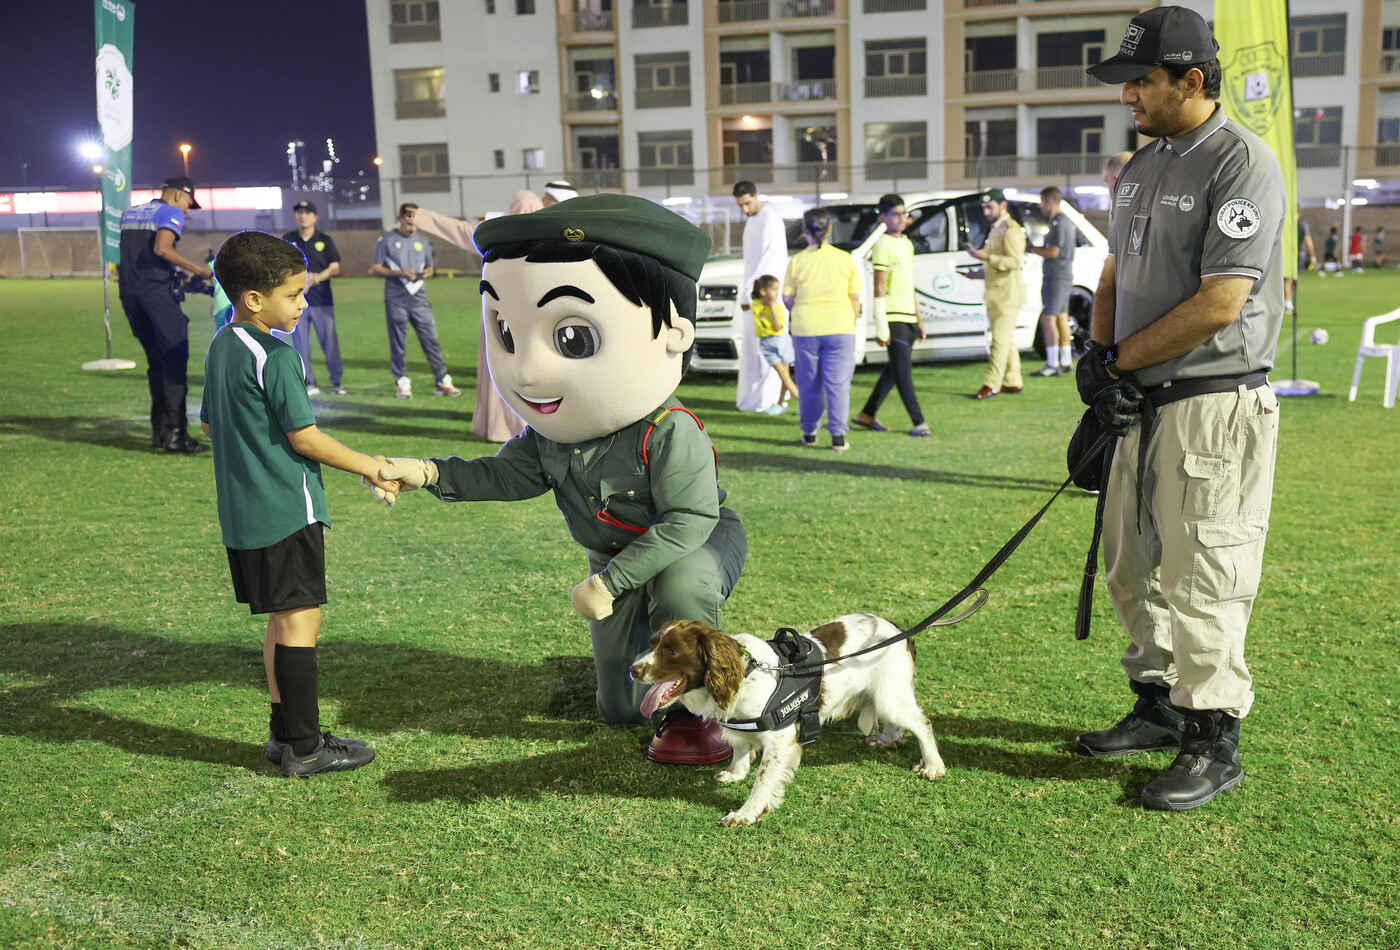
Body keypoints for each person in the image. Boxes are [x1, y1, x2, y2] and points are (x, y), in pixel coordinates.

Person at [374, 194, 746, 767]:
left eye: (573, 337)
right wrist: (424, 472)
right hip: (615, 558)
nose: (528, 369)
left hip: (693, 543)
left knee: (682, 587)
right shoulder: (552, 435)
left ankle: (704, 713)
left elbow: (689, 520)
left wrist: (610, 581)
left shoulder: (671, 430)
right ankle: (653, 680)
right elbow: (504, 472)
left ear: (673, 331)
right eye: (507, 333)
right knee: (622, 707)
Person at [1078, 5, 1285, 811]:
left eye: (1141, 80)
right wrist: (1098, 363)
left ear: (1191, 81)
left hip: (1211, 403)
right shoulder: (1142, 165)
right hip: (1138, 401)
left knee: (1205, 570)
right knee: (1131, 564)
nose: (1127, 94)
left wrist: (1121, 363)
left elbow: (1222, 303)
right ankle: (1159, 704)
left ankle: (1212, 738)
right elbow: (1112, 274)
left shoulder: (1240, 162)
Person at [200, 230, 401, 777]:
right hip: (285, 509)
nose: (303, 303)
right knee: (301, 619)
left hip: (243, 511)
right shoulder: (275, 353)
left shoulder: (223, 343)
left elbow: (209, 423)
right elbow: (305, 437)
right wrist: (374, 467)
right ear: (254, 299)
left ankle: (285, 734)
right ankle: (306, 747)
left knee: (281, 619)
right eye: (294, 294)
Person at [410, 192, 536, 443]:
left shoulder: (498, 236)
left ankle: (501, 427)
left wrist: (423, 216)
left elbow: (463, 232)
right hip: (532, 317)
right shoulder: (548, 237)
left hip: (500, 312)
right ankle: (527, 425)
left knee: (500, 370)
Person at [117, 175, 215, 454]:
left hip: (130, 295)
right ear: (177, 195)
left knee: (156, 363)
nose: (186, 210)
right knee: (173, 361)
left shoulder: (131, 212)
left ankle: (160, 433)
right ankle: (176, 436)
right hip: (156, 296)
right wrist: (200, 271)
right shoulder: (169, 211)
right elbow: (162, 249)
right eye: (188, 203)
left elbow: (140, 260)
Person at [784, 207, 861, 450]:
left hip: (806, 328)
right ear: (830, 229)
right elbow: (855, 297)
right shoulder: (845, 258)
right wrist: (850, 320)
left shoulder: (797, 261)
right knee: (838, 384)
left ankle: (809, 433)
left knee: (809, 384)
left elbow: (788, 299)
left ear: (804, 231)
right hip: (840, 327)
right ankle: (838, 437)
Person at [853, 193, 930, 436]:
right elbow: (878, 286)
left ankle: (866, 414)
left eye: (904, 213)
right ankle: (919, 422)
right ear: (883, 217)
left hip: (908, 316)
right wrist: (881, 324)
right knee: (903, 373)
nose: (902, 219)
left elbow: (909, 284)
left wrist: (919, 319)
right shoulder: (881, 244)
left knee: (894, 371)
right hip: (892, 316)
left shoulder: (906, 244)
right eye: (896, 214)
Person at [369, 203, 461, 399]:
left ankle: (442, 380)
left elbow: (430, 267)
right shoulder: (386, 239)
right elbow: (375, 268)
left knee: (431, 340)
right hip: (396, 298)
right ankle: (402, 381)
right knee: (398, 342)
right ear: (399, 218)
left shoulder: (423, 241)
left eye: (415, 222)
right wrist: (399, 273)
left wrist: (428, 273)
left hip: (419, 298)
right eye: (408, 221)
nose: (411, 226)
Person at [964, 187, 1026, 399]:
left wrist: (986, 257)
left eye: (989, 206)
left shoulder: (1010, 229)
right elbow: (998, 264)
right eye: (984, 207)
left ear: (1003, 205)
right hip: (998, 293)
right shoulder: (997, 228)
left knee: (999, 341)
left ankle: (992, 384)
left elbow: (1016, 262)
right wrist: (978, 273)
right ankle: (1013, 381)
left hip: (1007, 294)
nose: (986, 211)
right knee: (1006, 340)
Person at [733, 180, 789, 412]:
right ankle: (754, 399)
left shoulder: (771, 220)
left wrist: (756, 294)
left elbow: (770, 262)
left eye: (747, 203)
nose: (745, 209)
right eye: (741, 205)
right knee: (753, 350)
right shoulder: (753, 221)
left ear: (757, 195)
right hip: (753, 295)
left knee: (767, 347)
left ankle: (772, 399)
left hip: (763, 296)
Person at [281, 200, 344, 395]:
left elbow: (335, 266)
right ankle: (309, 383)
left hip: (322, 301)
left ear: (315, 217)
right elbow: (281, 266)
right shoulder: (288, 239)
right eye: (299, 212)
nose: (303, 216)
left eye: (307, 212)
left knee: (330, 343)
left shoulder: (324, 240)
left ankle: (337, 382)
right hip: (296, 303)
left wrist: (316, 278)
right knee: (300, 344)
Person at [1028, 186, 1077, 377]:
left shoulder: (1058, 222)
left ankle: (1052, 364)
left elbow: (1054, 252)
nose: (1041, 207)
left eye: (1041, 202)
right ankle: (1065, 361)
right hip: (1063, 275)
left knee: (1048, 318)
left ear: (1049, 201)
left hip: (1056, 275)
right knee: (1061, 317)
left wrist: (1033, 249)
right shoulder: (1063, 221)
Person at [750, 275, 798, 411]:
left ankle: (780, 403)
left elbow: (778, 327)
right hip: (767, 344)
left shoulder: (778, 308)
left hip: (781, 342)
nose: (777, 293)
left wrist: (773, 309)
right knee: (784, 376)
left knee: (785, 376)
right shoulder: (756, 305)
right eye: (774, 289)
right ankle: (804, 403)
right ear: (763, 291)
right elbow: (752, 309)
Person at [1285, 215, 1316, 313]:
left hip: (1286, 254)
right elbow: (1308, 239)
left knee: (1287, 279)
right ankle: (1287, 302)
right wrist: (1312, 255)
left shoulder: (1286, 223)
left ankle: (1287, 301)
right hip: (1298, 255)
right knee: (1291, 279)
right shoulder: (1302, 224)